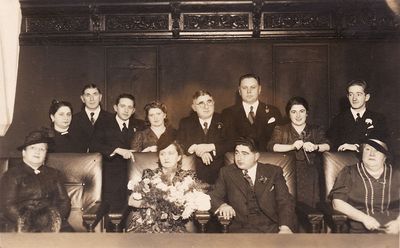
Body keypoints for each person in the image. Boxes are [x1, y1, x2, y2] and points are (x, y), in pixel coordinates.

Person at [209, 136, 296, 233]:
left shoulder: (273, 172)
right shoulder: (226, 172)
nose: (239, 158)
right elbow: (213, 196)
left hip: (270, 228)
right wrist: (222, 205)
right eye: (237, 153)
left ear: (256, 156)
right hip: (240, 229)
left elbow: (285, 201)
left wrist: (284, 226)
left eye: (245, 154)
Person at [126, 135, 209, 233]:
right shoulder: (149, 174)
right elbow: (131, 201)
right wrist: (153, 205)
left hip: (174, 224)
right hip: (147, 222)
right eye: (162, 154)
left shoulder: (188, 177)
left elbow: (197, 200)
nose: (166, 158)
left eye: (170, 153)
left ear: (178, 157)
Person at [0, 130, 72, 232]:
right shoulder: (11, 175)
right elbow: (7, 206)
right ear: (24, 152)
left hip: (52, 224)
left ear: (46, 154)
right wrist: (29, 223)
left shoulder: (55, 174)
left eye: (42, 149)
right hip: (19, 224)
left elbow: (64, 202)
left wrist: (53, 220)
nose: (37, 152)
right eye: (33, 148)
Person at [267, 97, 330, 208]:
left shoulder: (316, 129)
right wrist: (291, 146)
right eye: (293, 112)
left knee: (311, 208)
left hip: (311, 175)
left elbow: (328, 146)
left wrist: (315, 147)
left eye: (302, 111)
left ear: (307, 113)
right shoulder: (281, 129)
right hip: (287, 173)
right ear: (288, 114)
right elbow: (272, 147)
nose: (298, 116)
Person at [330, 134, 399, 234]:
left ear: (385, 157)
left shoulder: (396, 174)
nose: (372, 154)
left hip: (394, 231)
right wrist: (364, 218)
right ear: (362, 152)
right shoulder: (349, 172)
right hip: (360, 231)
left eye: (377, 150)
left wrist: (398, 223)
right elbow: (337, 203)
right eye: (368, 149)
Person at [90, 93, 145, 211]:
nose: (126, 110)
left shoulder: (140, 125)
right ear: (115, 107)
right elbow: (94, 145)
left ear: (134, 110)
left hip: (135, 174)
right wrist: (116, 150)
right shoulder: (103, 123)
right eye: (122, 106)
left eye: (130, 107)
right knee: (114, 214)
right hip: (111, 176)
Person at [177, 90, 231, 184]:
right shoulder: (186, 123)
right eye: (201, 103)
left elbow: (232, 142)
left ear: (213, 103)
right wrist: (197, 149)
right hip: (194, 179)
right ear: (194, 107)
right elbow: (180, 142)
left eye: (209, 102)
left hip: (221, 178)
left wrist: (211, 146)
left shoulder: (225, 120)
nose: (206, 106)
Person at [222, 73, 282, 151]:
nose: (249, 91)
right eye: (244, 88)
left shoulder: (274, 111)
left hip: (267, 158)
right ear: (239, 91)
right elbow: (227, 142)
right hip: (240, 159)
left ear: (259, 89)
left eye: (253, 87)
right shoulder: (228, 113)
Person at [327, 79, 388, 152]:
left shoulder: (378, 119)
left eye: (358, 94)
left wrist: (357, 147)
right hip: (344, 160)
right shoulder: (338, 119)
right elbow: (331, 144)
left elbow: (382, 144)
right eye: (351, 94)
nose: (354, 98)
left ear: (367, 97)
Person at [69, 84, 112, 152]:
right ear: (82, 99)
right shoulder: (73, 119)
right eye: (88, 95)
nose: (91, 99)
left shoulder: (111, 118)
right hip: (82, 161)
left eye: (95, 94)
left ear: (100, 97)